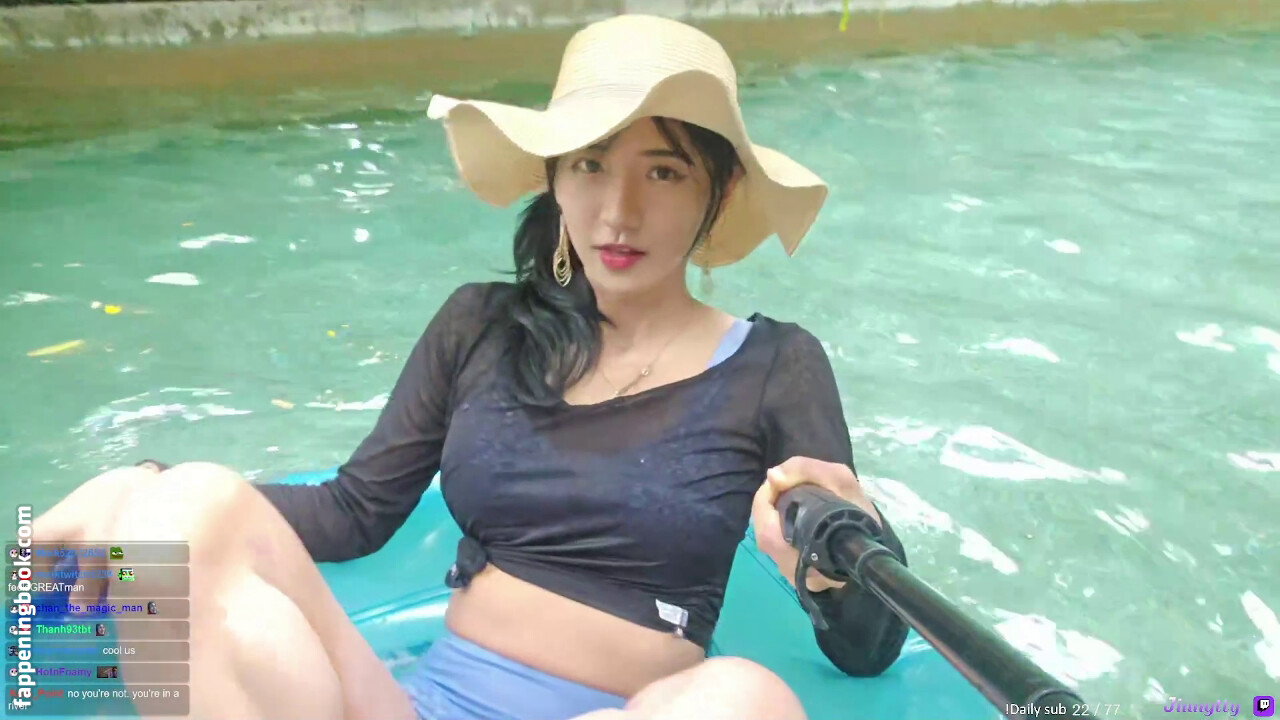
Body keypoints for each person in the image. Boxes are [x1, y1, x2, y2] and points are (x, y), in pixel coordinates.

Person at [29, 13, 910, 720]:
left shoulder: (775, 366)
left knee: (746, 698)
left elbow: (867, 651)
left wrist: (836, 567)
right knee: (189, 505)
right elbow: (352, 511)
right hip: (421, 706)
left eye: (665, 173)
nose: (618, 211)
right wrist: (145, 488)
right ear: (555, 180)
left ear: (718, 191)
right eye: (590, 165)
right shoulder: (483, 324)